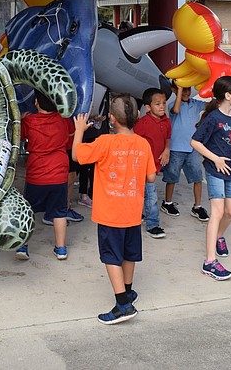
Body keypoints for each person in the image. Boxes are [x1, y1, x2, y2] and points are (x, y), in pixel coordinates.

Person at [72, 93, 157, 325]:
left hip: (110, 213)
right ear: (137, 116)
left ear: (111, 118)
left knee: (111, 256)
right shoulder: (143, 143)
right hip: (132, 212)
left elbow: (77, 156)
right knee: (130, 254)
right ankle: (128, 292)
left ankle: (122, 304)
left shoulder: (104, 142)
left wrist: (79, 130)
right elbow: (151, 177)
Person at [190, 75, 231, 281]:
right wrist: (215, 159)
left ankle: (218, 237)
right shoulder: (213, 119)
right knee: (218, 211)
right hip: (216, 170)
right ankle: (210, 262)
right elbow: (195, 142)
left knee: (230, 212)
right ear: (227, 95)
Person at [16, 91, 74, 261]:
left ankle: (22, 246)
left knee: (28, 211)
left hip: (37, 174)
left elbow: (18, 136)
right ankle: (61, 249)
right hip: (59, 173)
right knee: (59, 212)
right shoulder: (64, 119)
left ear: (36, 103)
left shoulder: (29, 121)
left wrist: (21, 119)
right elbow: (71, 134)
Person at [161, 82, 209, 222]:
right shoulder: (172, 105)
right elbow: (176, 110)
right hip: (176, 148)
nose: (186, 92)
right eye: (183, 89)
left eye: (188, 89)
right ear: (174, 91)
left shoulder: (196, 103)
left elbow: (212, 106)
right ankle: (167, 203)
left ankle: (197, 206)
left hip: (192, 148)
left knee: (197, 177)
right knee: (172, 177)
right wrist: (180, 91)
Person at [133, 87, 171, 239]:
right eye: (157, 103)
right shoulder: (142, 123)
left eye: (163, 103)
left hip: (155, 165)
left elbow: (168, 137)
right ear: (148, 107)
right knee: (151, 196)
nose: (162, 106)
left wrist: (167, 149)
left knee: (145, 194)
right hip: (142, 166)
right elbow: (133, 141)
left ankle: (140, 215)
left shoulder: (166, 121)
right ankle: (152, 224)